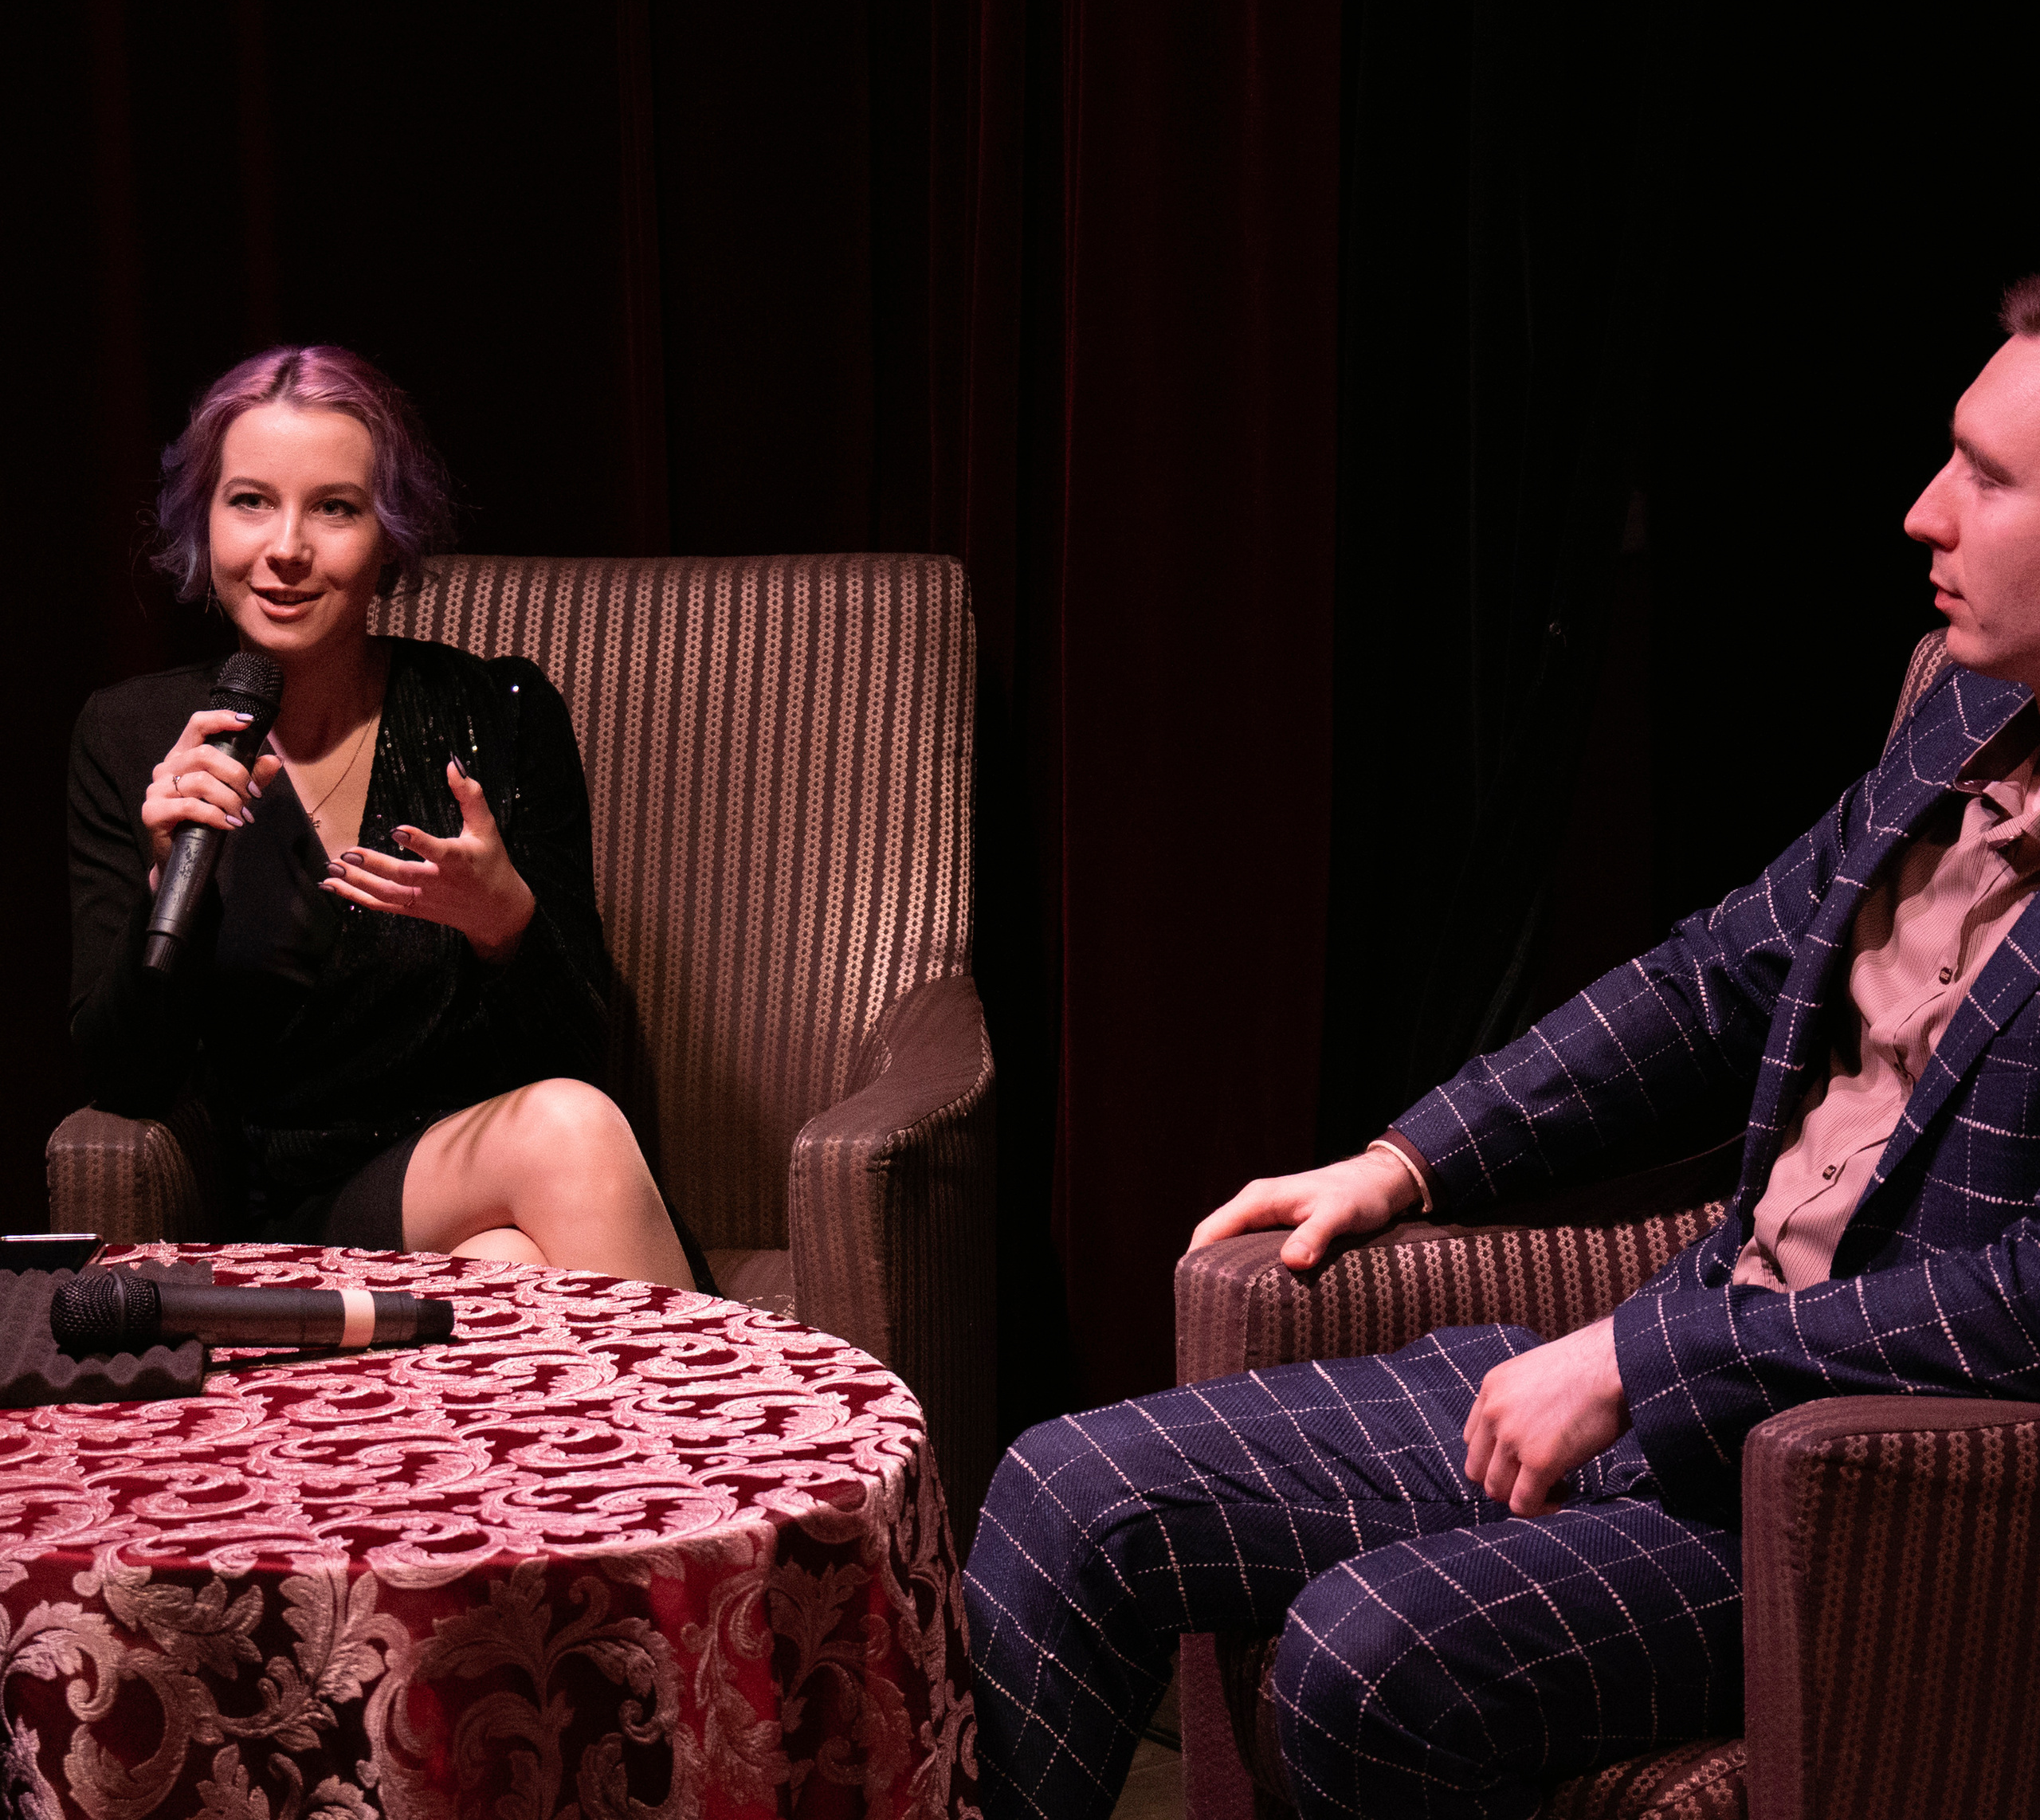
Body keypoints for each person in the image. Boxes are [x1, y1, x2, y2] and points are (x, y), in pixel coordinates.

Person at [963, 273, 2040, 1820]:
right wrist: (1407, 1158)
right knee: (1068, 1493)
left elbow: (2019, 1299)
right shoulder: (1963, 711)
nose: (1921, 511)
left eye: (1987, 479)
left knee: (1363, 1659)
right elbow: (1716, 973)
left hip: (1855, 1498)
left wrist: (1641, 1359)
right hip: (1684, 1361)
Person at [69, 344, 696, 1285]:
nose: (287, 547)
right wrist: (172, 882)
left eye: (335, 507)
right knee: (566, 1129)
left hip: (501, 1174)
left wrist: (505, 925)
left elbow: (579, 1051)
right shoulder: (133, 736)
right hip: (293, 1208)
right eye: (250, 501)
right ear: (204, 519)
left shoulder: (499, 715)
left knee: (505, 1258)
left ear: (390, 538)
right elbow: (122, 1080)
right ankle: (728, 1386)